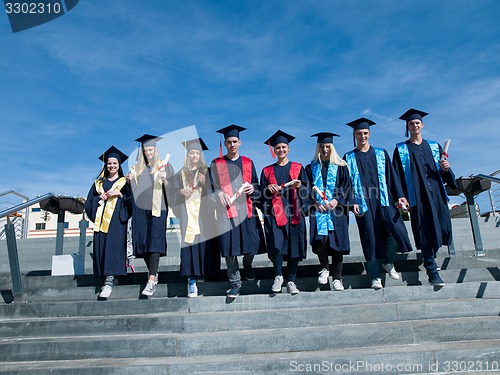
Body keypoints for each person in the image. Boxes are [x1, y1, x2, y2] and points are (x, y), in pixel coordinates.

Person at [343, 118, 413, 290]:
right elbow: (346, 184)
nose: (362, 136)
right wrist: (351, 202)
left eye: (365, 133)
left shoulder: (381, 153)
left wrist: (400, 196)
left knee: (396, 229)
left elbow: (393, 177)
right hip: (363, 203)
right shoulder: (348, 157)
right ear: (354, 135)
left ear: (370, 134)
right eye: (359, 133)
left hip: (384, 200)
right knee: (370, 239)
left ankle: (388, 262)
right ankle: (375, 276)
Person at [393, 108, 457, 286]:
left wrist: (446, 169)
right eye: (411, 123)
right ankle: (431, 269)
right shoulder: (401, 149)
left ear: (422, 124)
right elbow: (396, 176)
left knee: (442, 228)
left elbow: (444, 174)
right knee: (425, 231)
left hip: (437, 194)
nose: (415, 125)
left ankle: (432, 256)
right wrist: (400, 196)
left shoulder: (434, 146)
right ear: (407, 126)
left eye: (417, 123)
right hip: (418, 197)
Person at [210, 124, 266, 298]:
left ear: (240, 143)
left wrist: (253, 190)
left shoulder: (248, 162)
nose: (232, 145)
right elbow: (210, 187)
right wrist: (218, 193)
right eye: (229, 142)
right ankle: (235, 283)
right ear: (225, 144)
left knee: (251, 246)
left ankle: (248, 265)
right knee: (229, 249)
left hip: (247, 211)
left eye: (235, 141)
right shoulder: (216, 163)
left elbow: (257, 186)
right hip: (226, 213)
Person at [260, 130, 310, 295]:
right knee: (277, 245)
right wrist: (267, 188)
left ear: (288, 149)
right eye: (278, 148)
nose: (281, 150)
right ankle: (278, 276)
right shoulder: (267, 171)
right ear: (274, 150)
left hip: (295, 212)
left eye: (283, 147)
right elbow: (260, 194)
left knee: (294, 246)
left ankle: (291, 281)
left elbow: (307, 190)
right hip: (275, 213)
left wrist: (299, 187)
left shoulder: (298, 167)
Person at [170, 138, 219, 298]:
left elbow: (216, 192)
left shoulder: (207, 171)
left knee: (206, 245)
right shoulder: (180, 174)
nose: (195, 155)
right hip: (187, 215)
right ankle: (192, 280)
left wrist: (206, 185)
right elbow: (171, 195)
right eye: (192, 152)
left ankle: (206, 275)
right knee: (190, 245)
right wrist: (180, 192)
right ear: (188, 154)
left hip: (205, 215)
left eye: (197, 152)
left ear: (200, 155)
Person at [126, 134, 174, 297]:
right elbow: (131, 194)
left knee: (154, 241)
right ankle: (153, 273)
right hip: (140, 210)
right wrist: (129, 182)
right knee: (144, 242)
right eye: (145, 150)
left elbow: (173, 190)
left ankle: (151, 279)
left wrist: (165, 180)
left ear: (156, 150)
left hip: (157, 209)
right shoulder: (135, 170)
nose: (148, 153)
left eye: (151, 149)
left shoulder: (164, 166)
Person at [305, 132, 352, 291]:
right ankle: (325, 268)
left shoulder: (341, 167)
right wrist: (314, 203)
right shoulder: (310, 168)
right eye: (322, 146)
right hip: (318, 211)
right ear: (318, 148)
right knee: (322, 240)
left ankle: (337, 279)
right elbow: (305, 189)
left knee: (337, 243)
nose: (325, 149)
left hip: (336, 210)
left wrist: (336, 200)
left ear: (332, 148)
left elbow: (347, 187)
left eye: (327, 146)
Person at [84, 146, 132, 299]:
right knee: (103, 248)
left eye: (115, 163)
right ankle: (107, 278)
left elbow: (132, 200)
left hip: (117, 221)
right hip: (100, 222)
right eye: (109, 163)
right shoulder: (98, 183)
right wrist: (100, 198)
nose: (112, 166)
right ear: (106, 165)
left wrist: (119, 194)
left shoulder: (124, 182)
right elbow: (88, 203)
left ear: (119, 165)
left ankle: (109, 282)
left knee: (113, 249)